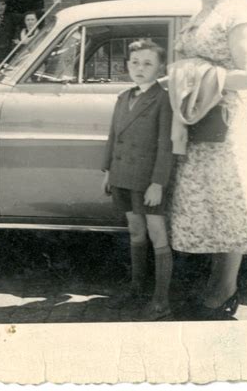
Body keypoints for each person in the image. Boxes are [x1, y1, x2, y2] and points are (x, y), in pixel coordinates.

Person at [168, 0, 247, 320]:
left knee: (227, 203)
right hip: (196, 122)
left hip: (224, 122)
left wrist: (192, 74)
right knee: (207, 207)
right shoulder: (198, 15)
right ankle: (215, 284)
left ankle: (224, 289)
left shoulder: (237, 15)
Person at [102, 39, 175, 321]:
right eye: (134, 63)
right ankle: (137, 288)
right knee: (136, 232)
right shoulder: (123, 97)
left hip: (147, 182)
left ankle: (161, 301)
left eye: (147, 63)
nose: (139, 68)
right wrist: (108, 172)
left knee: (157, 234)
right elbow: (113, 137)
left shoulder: (163, 99)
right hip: (123, 176)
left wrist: (158, 183)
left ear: (160, 68)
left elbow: (166, 144)